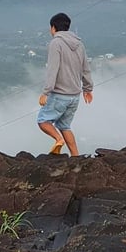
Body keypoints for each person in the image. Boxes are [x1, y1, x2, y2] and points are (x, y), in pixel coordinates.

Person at [37, 12, 93, 156]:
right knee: (64, 125)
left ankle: (58, 140)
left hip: (59, 94)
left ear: (53, 27)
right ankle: (75, 156)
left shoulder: (56, 43)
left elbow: (52, 69)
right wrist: (88, 88)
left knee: (43, 121)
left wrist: (46, 92)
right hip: (75, 96)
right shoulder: (79, 44)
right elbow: (85, 67)